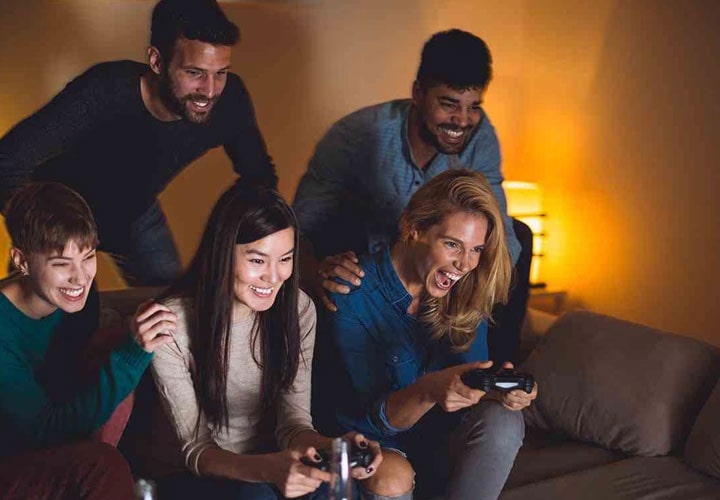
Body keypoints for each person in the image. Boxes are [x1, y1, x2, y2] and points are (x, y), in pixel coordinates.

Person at [137, 180, 407, 500]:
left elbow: (292, 424)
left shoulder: (297, 309)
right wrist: (269, 470)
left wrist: (335, 449)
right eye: (257, 260)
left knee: (333, 489)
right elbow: (197, 451)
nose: (274, 276)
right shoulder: (172, 324)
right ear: (222, 253)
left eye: (285, 259)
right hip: (192, 475)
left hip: (274, 460)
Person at [293, 28, 530, 364]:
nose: (462, 121)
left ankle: (499, 371)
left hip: (440, 273)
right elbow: (298, 227)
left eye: (473, 107)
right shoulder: (356, 135)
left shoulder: (481, 134)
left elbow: (501, 231)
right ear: (418, 93)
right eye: (449, 105)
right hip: (368, 269)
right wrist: (315, 272)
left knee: (520, 235)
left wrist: (469, 280)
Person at [0, 0, 277, 286]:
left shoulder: (229, 101)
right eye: (194, 73)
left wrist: (230, 245)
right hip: (59, 217)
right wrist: (42, 231)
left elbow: (259, 178)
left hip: (135, 215)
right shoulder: (102, 92)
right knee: (47, 321)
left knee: (173, 311)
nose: (209, 91)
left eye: (220, 72)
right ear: (157, 61)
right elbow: (5, 164)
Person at [313, 170, 538, 500]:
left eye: (476, 249)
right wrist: (430, 391)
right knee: (392, 478)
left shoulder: (467, 290)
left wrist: (500, 390)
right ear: (412, 228)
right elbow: (374, 418)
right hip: (375, 444)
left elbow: (467, 388)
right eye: (452, 245)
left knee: (505, 420)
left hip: (440, 442)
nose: (464, 264)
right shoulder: (351, 289)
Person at [0, 182, 171, 499]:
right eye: (62, 265)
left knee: (112, 343)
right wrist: (132, 355)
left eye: (88, 257)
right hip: (12, 459)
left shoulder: (79, 298)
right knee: (101, 465)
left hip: (58, 438)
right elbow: (46, 431)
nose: (80, 278)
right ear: (22, 261)